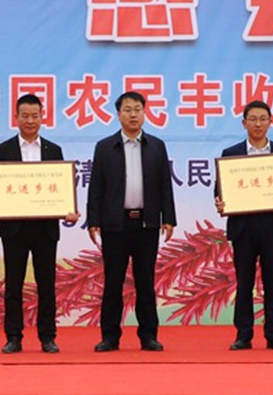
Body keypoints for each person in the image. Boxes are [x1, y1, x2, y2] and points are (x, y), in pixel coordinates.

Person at [214, 100, 273, 351]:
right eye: (253, 119)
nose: (258, 124)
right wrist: (221, 201)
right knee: (244, 283)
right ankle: (243, 335)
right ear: (244, 123)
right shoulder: (231, 154)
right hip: (243, 229)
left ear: (270, 122)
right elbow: (220, 189)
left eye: (263, 119)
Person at [0, 94, 78, 354]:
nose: (30, 121)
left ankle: (47, 336)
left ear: (42, 117)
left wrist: (68, 210)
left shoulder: (53, 150)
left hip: (45, 228)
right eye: (24, 116)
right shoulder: (3, 150)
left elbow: (61, 187)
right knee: (13, 285)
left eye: (35, 116)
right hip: (13, 229)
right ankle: (13, 336)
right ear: (16, 117)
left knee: (46, 285)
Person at [87, 91, 177, 352]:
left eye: (138, 109)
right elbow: (96, 187)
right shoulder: (105, 147)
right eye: (127, 110)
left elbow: (165, 184)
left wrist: (168, 218)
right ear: (118, 115)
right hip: (115, 224)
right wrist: (93, 220)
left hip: (146, 224)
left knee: (145, 282)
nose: (133, 114)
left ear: (144, 113)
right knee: (113, 282)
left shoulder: (156, 146)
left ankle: (148, 335)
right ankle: (110, 336)